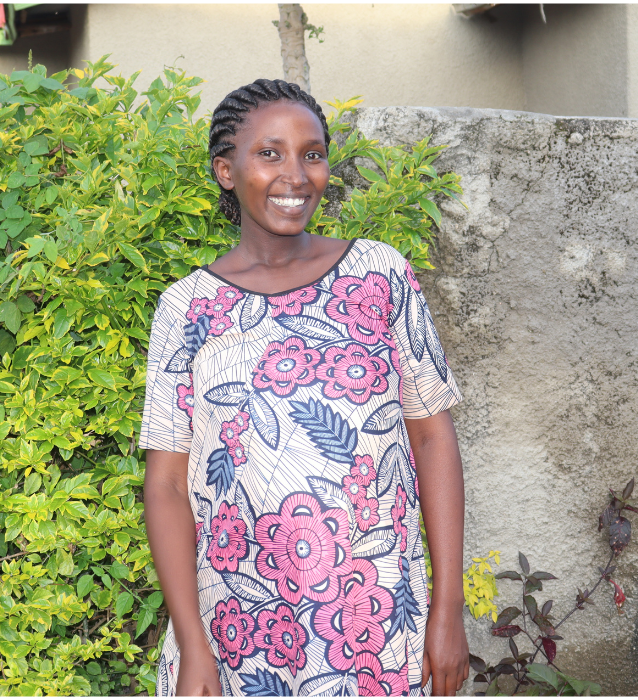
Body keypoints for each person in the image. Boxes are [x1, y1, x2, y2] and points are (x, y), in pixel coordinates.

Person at [140, 78, 468, 697]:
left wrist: (446, 610)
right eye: (269, 153)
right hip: (236, 628)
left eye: (311, 154)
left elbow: (432, 440)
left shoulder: (380, 276)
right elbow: (165, 484)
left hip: (376, 621)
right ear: (225, 170)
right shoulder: (188, 309)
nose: (295, 174)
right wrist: (191, 643)